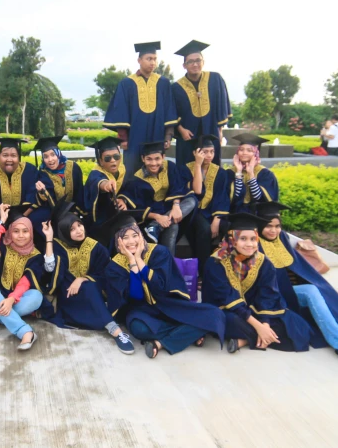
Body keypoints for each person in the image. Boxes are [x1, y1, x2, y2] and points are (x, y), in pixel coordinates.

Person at [256, 202, 338, 370]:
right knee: (312, 290)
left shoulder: (282, 238)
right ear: (259, 225)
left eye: (277, 226)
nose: (273, 230)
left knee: (326, 291)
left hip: (297, 288)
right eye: (268, 226)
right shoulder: (254, 243)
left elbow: (298, 266)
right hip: (279, 294)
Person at [104, 212, 226, 359]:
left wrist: (140, 260)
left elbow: (160, 287)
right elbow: (136, 296)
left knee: (216, 315)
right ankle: (190, 332)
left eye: (135, 235)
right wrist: (132, 262)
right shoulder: (114, 266)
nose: (132, 241)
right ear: (118, 242)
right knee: (139, 329)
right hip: (141, 310)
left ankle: (160, 343)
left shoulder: (159, 252)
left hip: (168, 303)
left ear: (141, 236)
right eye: (125, 237)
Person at [203, 213, 314, 353]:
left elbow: (267, 295)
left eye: (253, 239)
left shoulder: (264, 262)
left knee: (298, 325)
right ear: (232, 240)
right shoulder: (216, 262)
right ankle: (258, 338)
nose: (249, 244)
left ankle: (244, 340)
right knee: (225, 321)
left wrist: (265, 324)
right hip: (225, 309)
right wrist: (259, 326)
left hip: (253, 309)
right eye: (243, 239)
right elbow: (227, 297)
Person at [45, 200, 135, 354]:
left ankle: (115, 331)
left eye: (79, 225)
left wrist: (82, 278)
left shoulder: (95, 246)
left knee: (89, 287)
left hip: (92, 291)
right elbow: (50, 269)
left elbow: (105, 273)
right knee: (87, 289)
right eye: (72, 229)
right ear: (65, 232)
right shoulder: (59, 247)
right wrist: (49, 239)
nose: (79, 231)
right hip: (69, 295)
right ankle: (116, 330)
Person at [0, 204, 56, 350]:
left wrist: (11, 299)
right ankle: (25, 332)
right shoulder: (4, 246)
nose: (21, 235)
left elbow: (26, 281)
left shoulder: (35, 254)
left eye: (25, 231)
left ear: (31, 233)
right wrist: (1, 222)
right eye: (16, 231)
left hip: (18, 298)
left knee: (37, 296)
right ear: (9, 232)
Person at [103, 41, 178, 178]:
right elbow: (121, 111)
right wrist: (123, 139)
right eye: (149, 59)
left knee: (156, 168)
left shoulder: (163, 83)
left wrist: (168, 136)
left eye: (155, 59)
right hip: (134, 138)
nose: (152, 62)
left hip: (157, 134)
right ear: (139, 60)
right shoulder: (127, 83)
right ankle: (129, 198)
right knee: (132, 170)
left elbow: (169, 110)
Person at [119, 141, 195, 255]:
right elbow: (136, 209)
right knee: (173, 226)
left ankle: (155, 228)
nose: (154, 163)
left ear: (163, 157)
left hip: (171, 210)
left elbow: (178, 186)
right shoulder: (136, 180)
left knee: (192, 200)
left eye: (157, 159)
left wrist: (176, 205)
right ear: (143, 159)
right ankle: (168, 264)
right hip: (152, 216)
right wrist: (157, 217)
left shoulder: (170, 167)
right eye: (149, 159)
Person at [0, 137, 54, 244]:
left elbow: (33, 197)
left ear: (19, 157)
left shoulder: (29, 170)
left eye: (13, 155)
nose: (9, 159)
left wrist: (21, 219)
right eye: (5, 155)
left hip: (26, 219)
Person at [171, 40, 231, 167]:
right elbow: (171, 111)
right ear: (184, 65)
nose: (195, 64)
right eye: (190, 62)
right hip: (188, 136)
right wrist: (181, 130)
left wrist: (220, 131)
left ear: (203, 62)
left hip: (211, 132)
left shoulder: (215, 79)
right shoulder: (176, 87)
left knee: (212, 166)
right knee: (186, 167)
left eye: (198, 60)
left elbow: (222, 106)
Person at [179, 134, 231, 280]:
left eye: (212, 152)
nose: (209, 155)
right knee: (203, 229)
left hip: (211, 211)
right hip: (192, 211)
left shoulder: (220, 172)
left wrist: (217, 218)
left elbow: (222, 196)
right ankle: (203, 273)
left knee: (226, 227)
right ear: (196, 153)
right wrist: (197, 164)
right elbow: (197, 191)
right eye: (205, 152)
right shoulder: (186, 169)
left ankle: (226, 269)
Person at [84, 137, 140, 238]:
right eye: (107, 158)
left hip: (119, 215)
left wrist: (123, 199)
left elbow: (129, 188)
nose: (113, 161)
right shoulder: (96, 173)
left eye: (116, 156)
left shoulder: (124, 170)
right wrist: (105, 185)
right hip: (102, 220)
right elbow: (97, 182)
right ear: (100, 161)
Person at [33, 135, 86, 216]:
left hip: (75, 211)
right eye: (46, 157)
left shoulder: (73, 168)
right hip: (54, 213)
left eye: (53, 154)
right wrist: (42, 191)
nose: (50, 160)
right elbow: (48, 199)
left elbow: (79, 192)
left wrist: (76, 212)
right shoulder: (43, 174)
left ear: (58, 154)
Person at [229, 133, 279, 214]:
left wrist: (251, 173)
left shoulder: (265, 174)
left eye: (249, 150)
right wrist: (238, 172)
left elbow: (258, 197)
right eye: (241, 150)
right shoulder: (230, 172)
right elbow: (236, 196)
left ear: (256, 154)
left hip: (258, 214)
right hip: (235, 214)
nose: (244, 153)